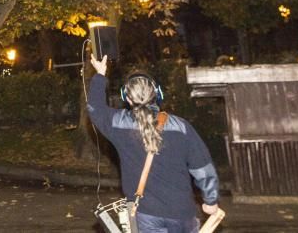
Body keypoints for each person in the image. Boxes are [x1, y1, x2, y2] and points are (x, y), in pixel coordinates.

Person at [88, 54, 219, 233]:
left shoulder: (117, 124)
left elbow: (95, 108)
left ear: (127, 98)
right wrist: (211, 201)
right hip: (182, 214)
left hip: (145, 215)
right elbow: (203, 169)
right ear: (157, 94)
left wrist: (100, 74)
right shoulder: (181, 127)